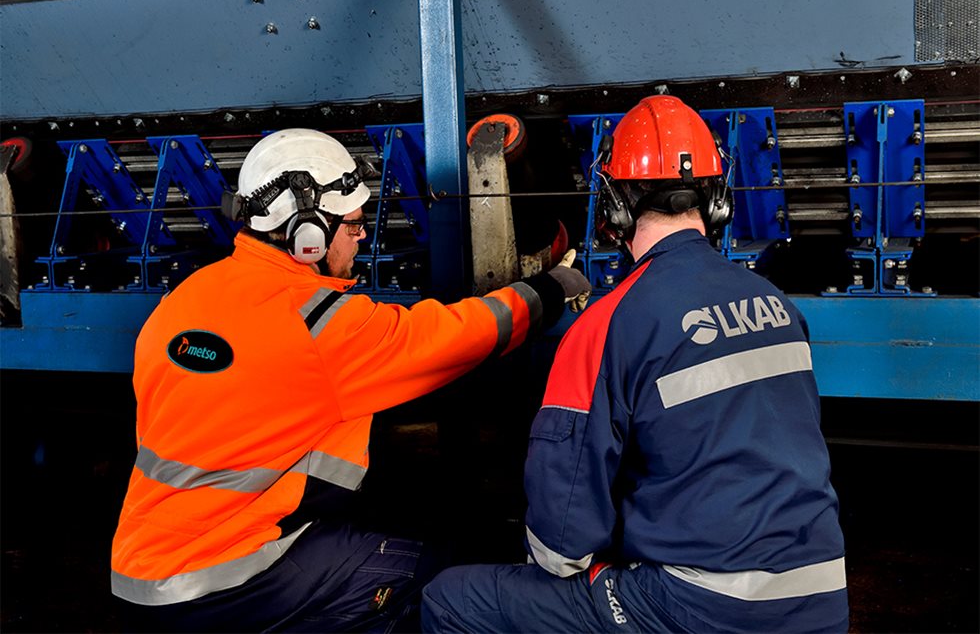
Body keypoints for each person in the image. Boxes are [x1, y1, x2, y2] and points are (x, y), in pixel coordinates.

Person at [109, 128, 591, 632]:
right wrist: (548, 290)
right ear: (307, 234)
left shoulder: (183, 301)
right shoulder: (317, 322)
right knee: (437, 568)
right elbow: (451, 337)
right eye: (354, 225)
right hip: (223, 580)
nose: (362, 239)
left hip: (139, 573)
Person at [421, 96, 848, 633]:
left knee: (452, 598)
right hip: (821, 601)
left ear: (614, 206)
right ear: (716, 199)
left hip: (707, 609)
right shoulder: (778, 305)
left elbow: (561, 542)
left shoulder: (605, 324)